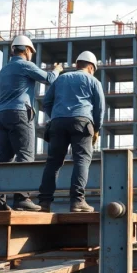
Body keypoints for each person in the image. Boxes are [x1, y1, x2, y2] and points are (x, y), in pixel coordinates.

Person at [0, 35, 62, 211]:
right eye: (31, 52)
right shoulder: (25, 65)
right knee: (25, 156)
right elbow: (50, 79)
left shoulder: (4, 70)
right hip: (19, 114)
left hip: (0, 115)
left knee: (4, 158)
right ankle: (22, 198)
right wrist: (57, 69)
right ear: (27, 50)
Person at [38, 51, 104, 213]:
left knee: (53, 163)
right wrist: (96, 128)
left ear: (77, 65)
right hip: (82, 123)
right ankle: (77, 201)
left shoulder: (60, 79)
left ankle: (44, 203)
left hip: (57, 123)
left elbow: (46, 102)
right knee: (81, 160)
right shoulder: (93, 81)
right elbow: (100, 108)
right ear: (90, 67)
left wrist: (55, 116)